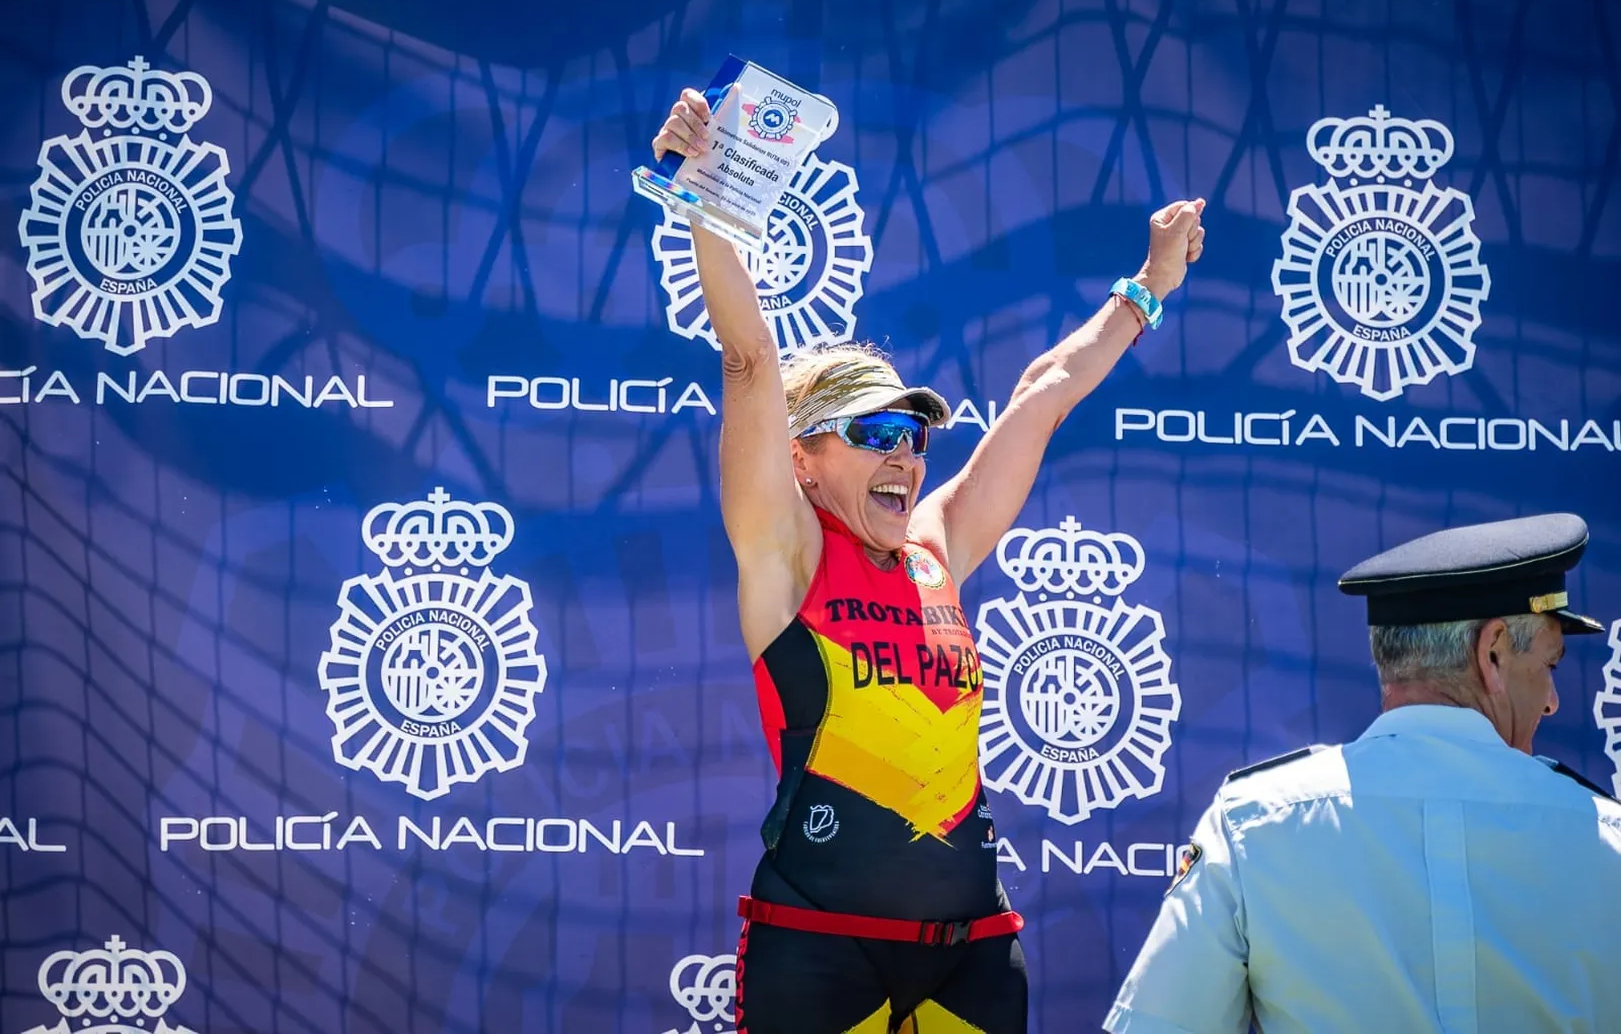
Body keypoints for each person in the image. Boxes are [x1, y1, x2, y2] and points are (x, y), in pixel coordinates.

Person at [650, 88, 1205, 1034]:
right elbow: (748, 360)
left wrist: (1150, 282)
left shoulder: (934, 545)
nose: (905, 457)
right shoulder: (785, 551)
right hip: (820, 947)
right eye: (874, 433)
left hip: (968, 952)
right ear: (802, 457)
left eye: (913, 436)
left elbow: (1043, 394)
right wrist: (707, 195)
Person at [1105, 513, 1621, 1034]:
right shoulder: (1608, 841)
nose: (1552, 702)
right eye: (1550, 665)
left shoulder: (1254, 823)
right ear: (1492, 653)